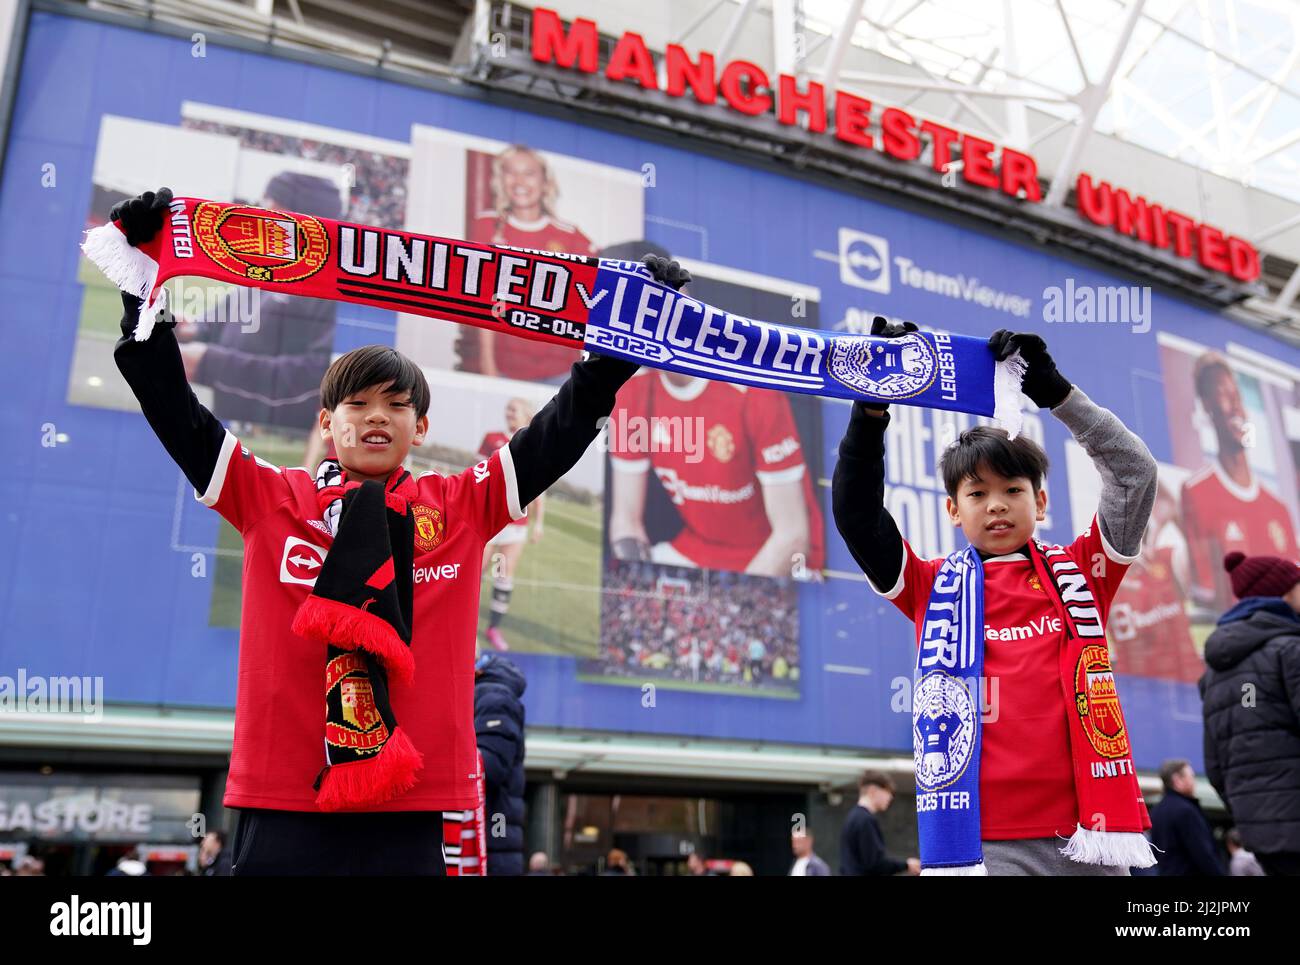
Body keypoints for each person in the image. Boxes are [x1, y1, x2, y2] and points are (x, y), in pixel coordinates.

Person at [111, 188, 654, 875]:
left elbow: (557, 434)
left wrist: (612, 351)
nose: (376, 417)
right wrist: (141, 285)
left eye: (397, 405)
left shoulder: (461, 504)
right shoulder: (270, 497)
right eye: (357, 403)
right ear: (327, 422)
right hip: (283, 795)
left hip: (411, 800)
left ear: (420, 427)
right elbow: (176, 412)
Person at [833, 320, 1158, 875]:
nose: (997, 505)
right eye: (977, 493)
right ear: (953, 511)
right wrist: (870, 412)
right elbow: (858, 514)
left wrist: (1056, 393)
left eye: (1013, 490)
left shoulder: (1085, 570)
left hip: (1093, 839)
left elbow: (1134, 475)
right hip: (985, 847)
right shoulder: (928, 584)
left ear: (1042, 501)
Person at [176, 171, 341, 433]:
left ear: (304, 220)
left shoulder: (328, 286)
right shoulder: (267, 268)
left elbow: (316, 376)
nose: (261, 220)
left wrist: (210, 363)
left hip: (276, 439)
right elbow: (219, 322)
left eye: (273, 211)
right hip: (224, 426)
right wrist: (188, 328)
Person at [1200, 550, 1300, 876]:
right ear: (1282, 593)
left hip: (1262, 833)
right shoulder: (1289, 650)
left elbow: (1215, 767)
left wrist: (1252, 809)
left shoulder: (1214, 674)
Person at [462, 144, 597, 381]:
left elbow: (590, 304)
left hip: (561, 372)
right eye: (510, 172)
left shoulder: (570, 236)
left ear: (545, 182)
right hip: (505, 368)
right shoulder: (485, 226)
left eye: (529, 173)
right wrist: (488, 365)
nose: (519, 181)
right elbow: (482, 302)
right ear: (500, 180)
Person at [1180, 352, 1298, 611]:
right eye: (1223, 394)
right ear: (1207, 405)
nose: (1234, 404)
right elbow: (1205, 596)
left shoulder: (1278, 508)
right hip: (1243, 642)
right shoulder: (1196, 493)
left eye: (1237, 395)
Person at [478, 399, 544, 651]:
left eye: (514, 409)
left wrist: (539, 524)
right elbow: (476, 473)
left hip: (517, 524)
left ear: (526, 414)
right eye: (507, 409)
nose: (509, 413)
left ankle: (493, 628)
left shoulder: (534, 444)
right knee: (477, 570)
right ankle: (464, 620)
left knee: (504, 577)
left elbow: (540, 488)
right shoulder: (492, 438)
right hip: (490, 518)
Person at [476, 652, 527, 876]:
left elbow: (490, 767)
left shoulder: (494, 697)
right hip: (496, 837)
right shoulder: (491, 694)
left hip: (492, 839)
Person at [1149, 759, 1225, 875]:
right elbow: (1202, 853)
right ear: (1177, 780)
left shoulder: (1156, 811)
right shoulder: (1186, 811)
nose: (1194, 782)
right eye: (1191, 777)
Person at [839, 771, 920, 876]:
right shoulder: (865, 820)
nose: (890, 797)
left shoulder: (853, 818)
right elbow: (875, 864)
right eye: (887, 792)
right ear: (873, 791)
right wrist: (906, 865)